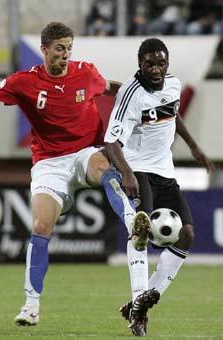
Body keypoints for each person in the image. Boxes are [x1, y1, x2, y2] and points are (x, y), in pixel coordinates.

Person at [0, 22, 153, 330]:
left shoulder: (86, 73)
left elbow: (109, 86)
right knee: (40, 226)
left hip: (84, 152)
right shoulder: (24, 81)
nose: (65, 55)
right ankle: (31, 305)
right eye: (59, 49)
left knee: (102, 165)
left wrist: (137, 95)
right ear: (45, 49)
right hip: (49, 163)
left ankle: (133, 224)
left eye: (69, 49)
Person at [104, 38, 214, 336]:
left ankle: (136, 305)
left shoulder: (173, 84)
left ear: (168, 65)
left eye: (161, 63)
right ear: (139, 64)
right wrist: (126, 172)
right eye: (150, 64)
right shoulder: (130, 94)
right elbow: (111, 141)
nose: (156, 69)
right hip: (137, 169)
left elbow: (173, 113)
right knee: (140, 233)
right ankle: (140, 311)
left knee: (187, 234)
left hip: (164, 171)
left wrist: (194, 147)